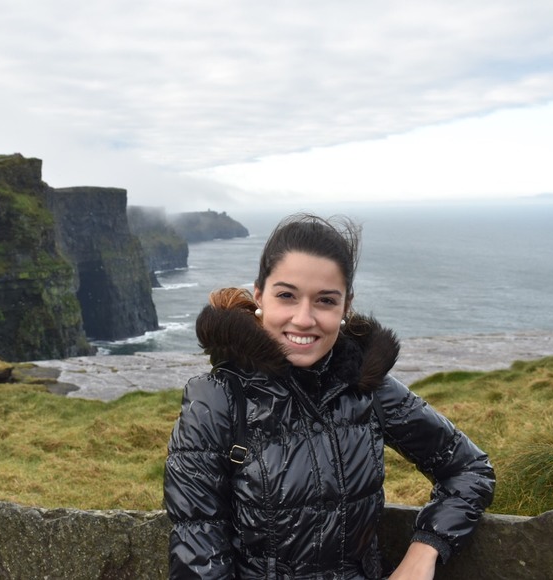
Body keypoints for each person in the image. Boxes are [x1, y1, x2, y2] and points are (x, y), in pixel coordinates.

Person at [163, 213, 495, 579]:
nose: (304, 319)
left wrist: (425, 549)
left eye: (325, 300)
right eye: (287, 295)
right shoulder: (216, 400)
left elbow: (469, 468)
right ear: (259, 294)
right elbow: (199, 555)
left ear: (346, 306)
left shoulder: (369, 390)